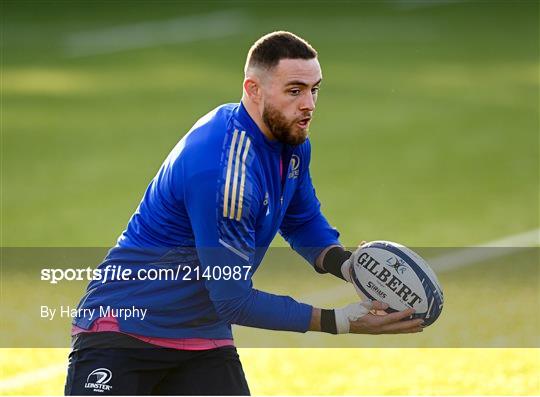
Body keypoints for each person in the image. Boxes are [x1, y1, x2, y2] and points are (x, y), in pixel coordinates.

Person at [64, 31, 424, 396]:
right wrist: (340, 321)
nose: (309, 105)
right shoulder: (225, 174)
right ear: (253, 90)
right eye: (294, 90)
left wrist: (348, 267)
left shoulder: (290, 142)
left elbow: (301, 220)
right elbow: (234, 299)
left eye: (315, 89)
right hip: (124, 332)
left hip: (202, 337)